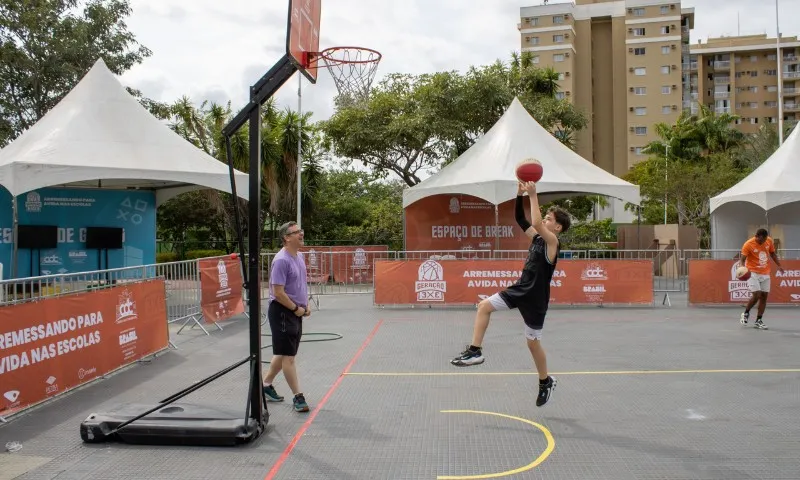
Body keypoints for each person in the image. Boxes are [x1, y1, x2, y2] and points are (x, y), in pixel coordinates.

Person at [450, 179, 571, 407]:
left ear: (557, 228)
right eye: (545, 218)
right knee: (484, 306)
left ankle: (545, 381)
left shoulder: (553, 241)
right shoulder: (536, 238)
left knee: (533, 343)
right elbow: (521, 219)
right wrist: (518, 195)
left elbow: (535, 219)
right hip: (520, 288)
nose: (544, 220)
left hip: (536, 298)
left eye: (549, 219)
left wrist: (533, 195)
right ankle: (475, 351)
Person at [262, 221, 311, 412]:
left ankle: (265, 385)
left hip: (295, 310)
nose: (301, 234)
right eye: (296, 232)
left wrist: (305, 306)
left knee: (283, 353)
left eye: (301, 230)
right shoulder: (281, 260)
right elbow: (278, 292)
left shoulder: (299, 256)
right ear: (286, 238)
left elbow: (299, 285)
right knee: (289, 357)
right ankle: (298, 397)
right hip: (282, 312)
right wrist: (295, 308)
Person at [739, 228, 784, 330]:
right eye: (761, 240)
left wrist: (779, 265)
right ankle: (746, 313)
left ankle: (758, 320)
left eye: (764, 240)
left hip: (765, 272)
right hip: (752, 272)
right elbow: (742, 260)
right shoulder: (748, 244)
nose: (762, 242)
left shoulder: (769, 241)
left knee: (764, 296)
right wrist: (742, 268)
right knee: (757, 294)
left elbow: (772, 253)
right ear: (756, 236)